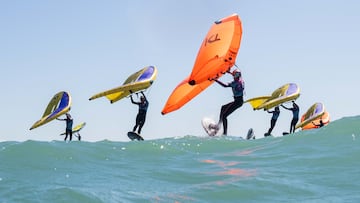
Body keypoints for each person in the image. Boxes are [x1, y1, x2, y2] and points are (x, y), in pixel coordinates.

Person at [211, 69, 245, 135]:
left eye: (234, 75)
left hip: (238, 102)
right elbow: (235, 75)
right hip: (238, 101)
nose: (233, 76)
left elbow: (225, 85)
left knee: (224, 116)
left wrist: (215, 80)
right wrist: (228, 72)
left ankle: (224, 133)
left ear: (236, 76)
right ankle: (218, 126)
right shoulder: (241, 80)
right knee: (223, 107)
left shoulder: (235, 83)